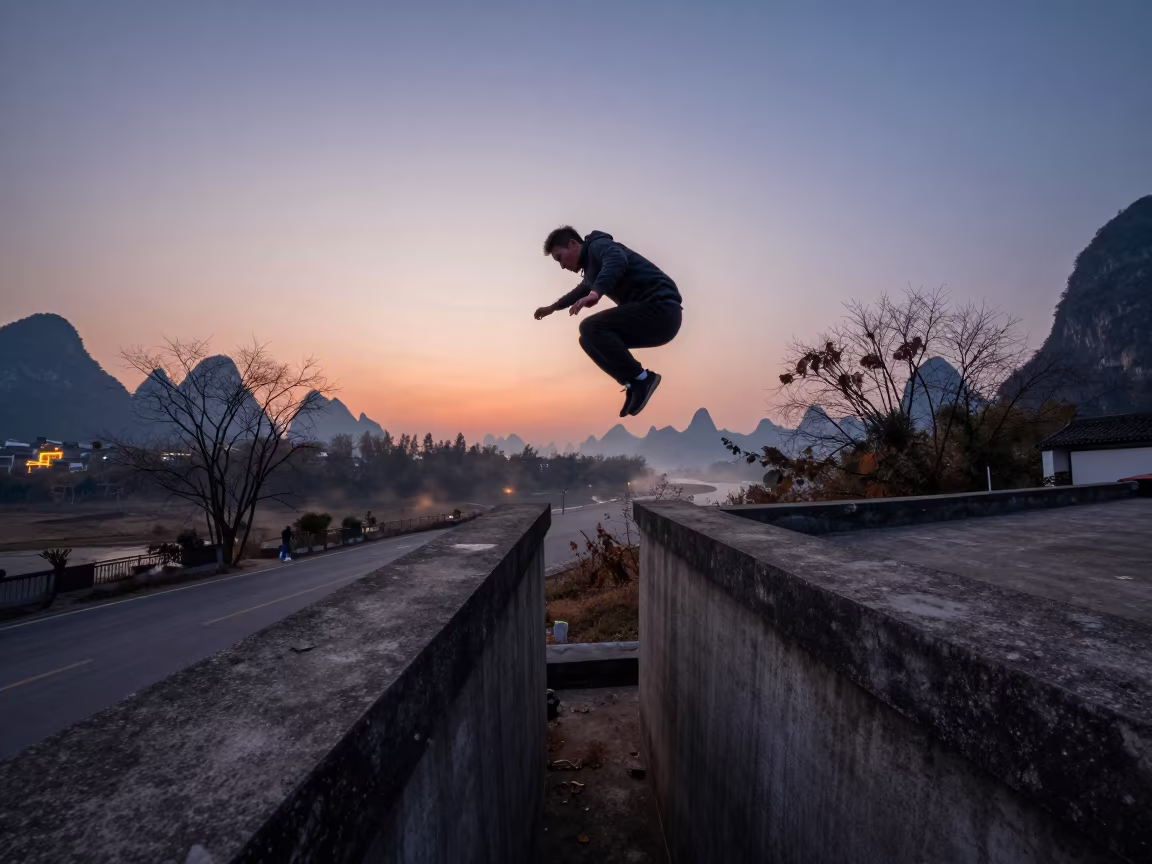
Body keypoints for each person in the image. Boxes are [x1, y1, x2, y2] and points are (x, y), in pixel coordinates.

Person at [535, 226, 682, 417]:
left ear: (573, 244)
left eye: (560, 257)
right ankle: (634, 383)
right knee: (588, 339)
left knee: (590, 327)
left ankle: (642, 379)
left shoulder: (599, 245)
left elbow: (616, 259)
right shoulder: (590, 270)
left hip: (661, 309)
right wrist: (552, 308)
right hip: (656, 319)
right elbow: (580, 291)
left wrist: (597, 292)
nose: (562, 265)